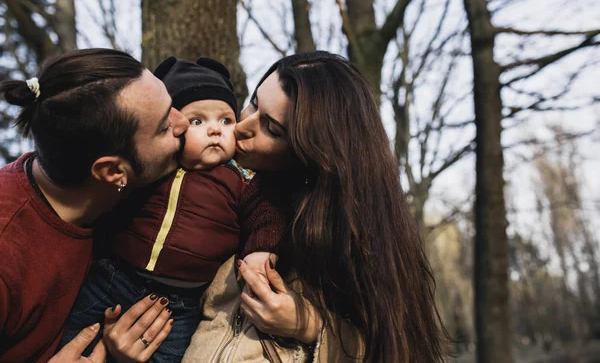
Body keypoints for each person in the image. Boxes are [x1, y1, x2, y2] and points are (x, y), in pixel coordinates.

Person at [183, 51, 449, 362]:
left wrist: (308, 325)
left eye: (272, 128)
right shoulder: (204, 183)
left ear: (311, 150)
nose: (243, 126)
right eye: (254, 103)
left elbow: (395, 349)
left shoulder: (348, 235)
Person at [59, 56, 290, 361]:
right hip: (115, 277)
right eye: (198, 121)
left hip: (180, 303)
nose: (215, 130)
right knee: (76, 339)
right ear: (174, 126)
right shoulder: (156, 168)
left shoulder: (238, 180)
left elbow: (267, 215)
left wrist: (261, 250)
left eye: (225, 120)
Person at [0, 48, 189, 362]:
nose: (183, 123)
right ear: (113, 171)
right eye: (164, 127)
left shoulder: (127, 192)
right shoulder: (7, 251)